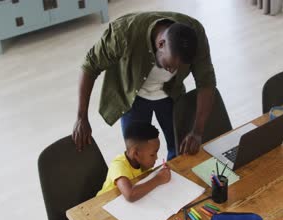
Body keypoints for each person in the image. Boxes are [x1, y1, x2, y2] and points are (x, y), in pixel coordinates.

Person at [72, 11, 216, 160]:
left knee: (180, 152)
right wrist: (81, 117)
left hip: (172, 94)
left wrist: (197, 131)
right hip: (133, 97)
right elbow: (90, 65)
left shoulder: (194, 35)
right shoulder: (123, 33)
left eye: (180, 67)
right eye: (169, 65)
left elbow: (206, 81)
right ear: (161, 44)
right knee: (138, 157)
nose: (173, 71)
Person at [84, 122, 171, 220]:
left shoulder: (142, 163)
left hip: (123, 212)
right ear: (136, 153)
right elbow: (130, 194)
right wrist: (158, 179)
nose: (156, 157)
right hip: (99, 213)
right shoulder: (118, 164)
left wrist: (158, 175)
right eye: (152, 154)